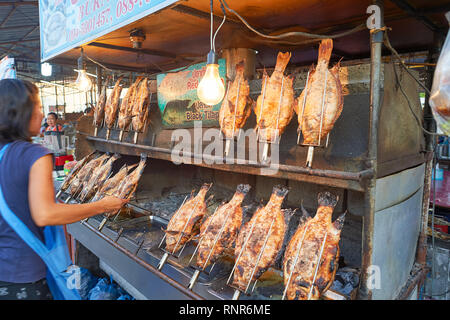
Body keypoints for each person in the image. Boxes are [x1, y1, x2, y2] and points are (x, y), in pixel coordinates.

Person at [0, 79, 127, 300]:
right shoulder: (34, 154)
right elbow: (45, 214)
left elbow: (19, 201)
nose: (42, 114)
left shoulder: (3, 153)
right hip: (28, 277)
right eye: (38, 107)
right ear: (20, 111)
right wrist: (102, 205)